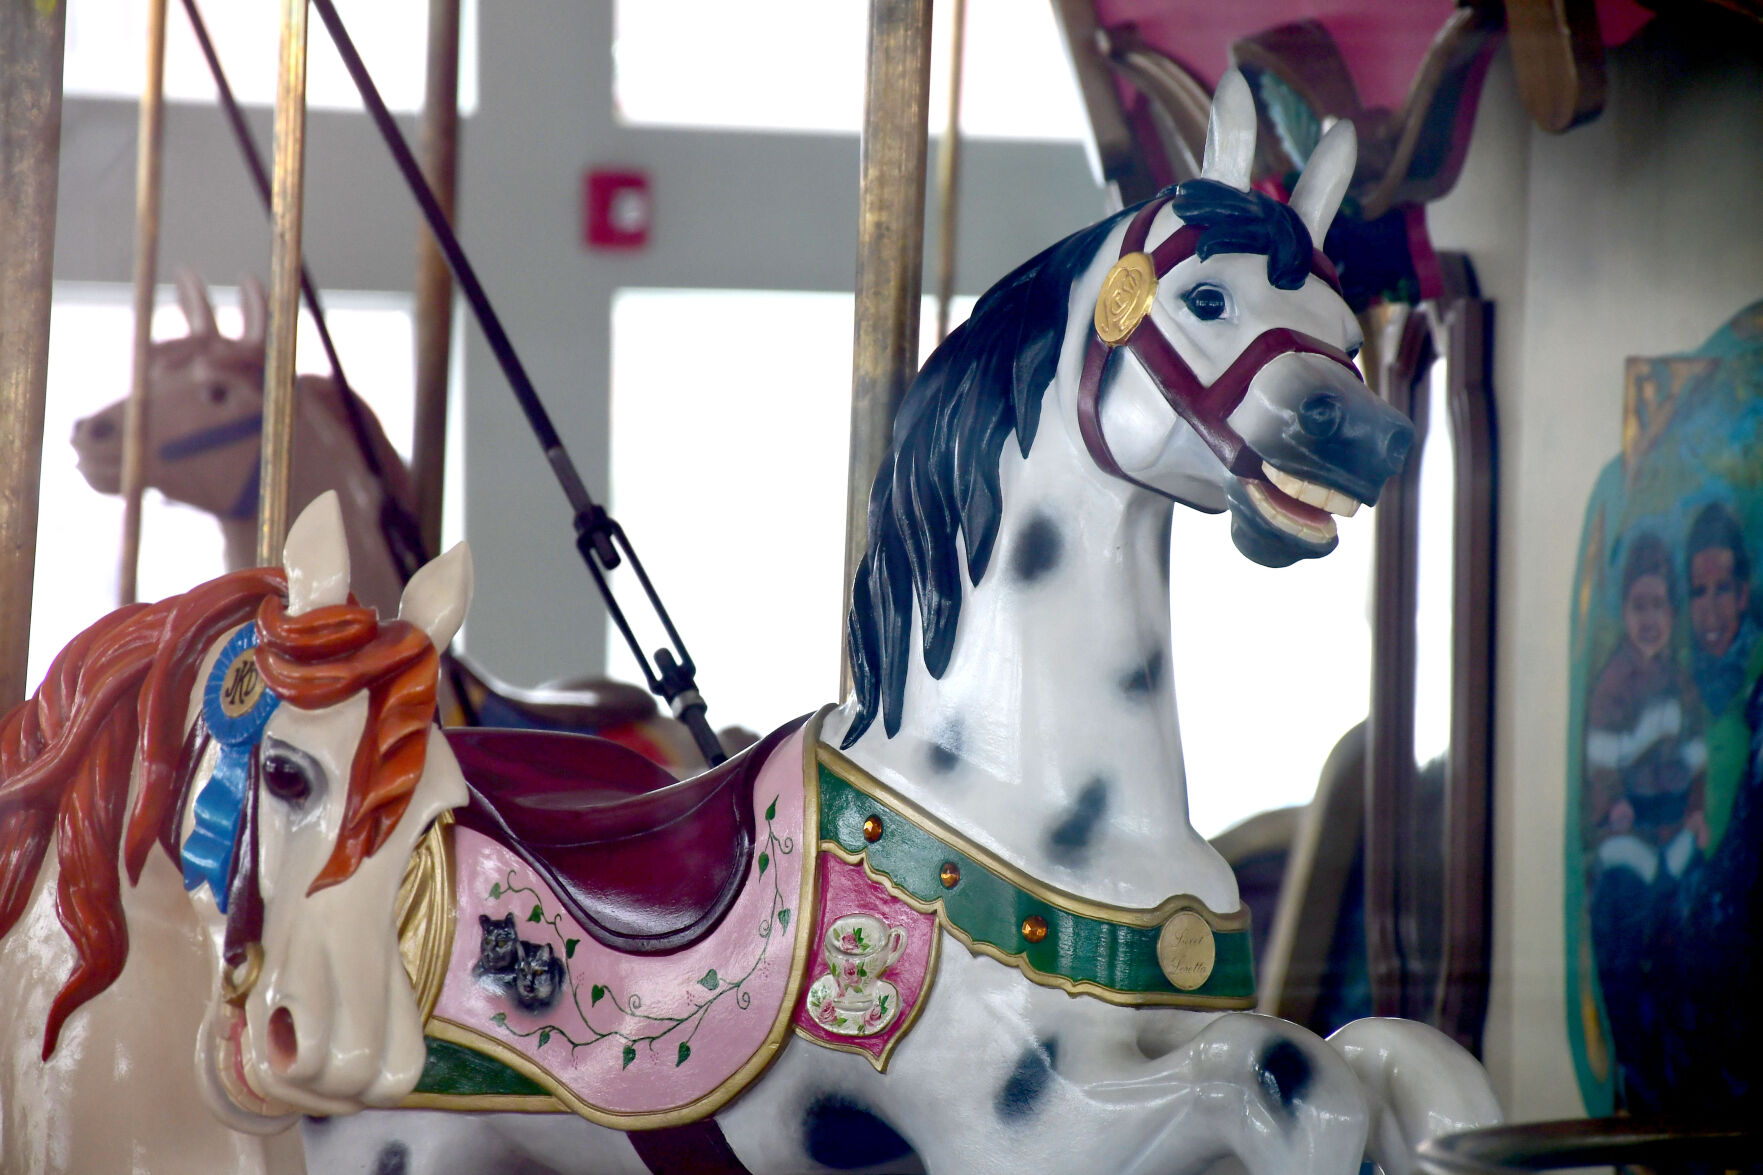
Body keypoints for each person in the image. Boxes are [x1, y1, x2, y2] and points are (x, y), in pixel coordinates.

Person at [1583, 531, 1708, 1111]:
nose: (1650, 619)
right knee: (1628, 930)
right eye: (1639, 607)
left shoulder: (1681, 683)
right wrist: (1617, 806)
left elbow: (1696, 758)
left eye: (1659, 607)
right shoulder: (1615, 684)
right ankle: (1639, 1063)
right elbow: (1604, 764)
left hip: (1673, 827)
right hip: (1628, 832)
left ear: (1673, 614)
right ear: (1626, 613)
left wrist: (1697, 812)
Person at [1685, 502, 1758, 717]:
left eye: (1723, 589)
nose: (1711, 612)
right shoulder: (1678, 663)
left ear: (1742, 595)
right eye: (1699, 591)